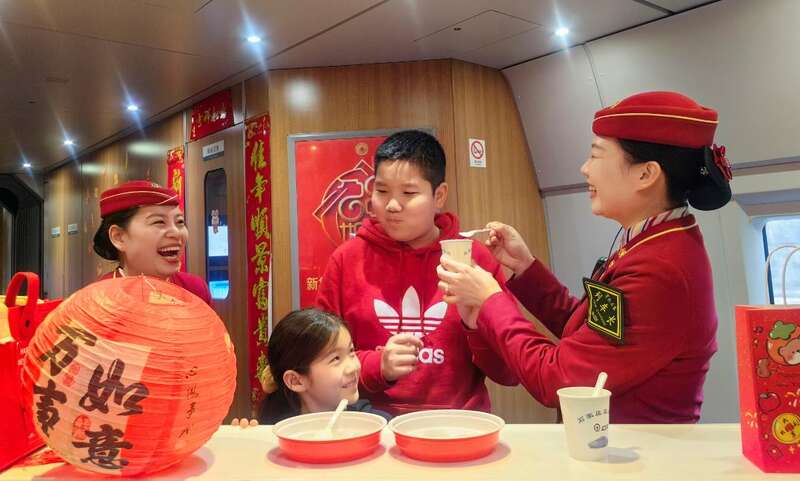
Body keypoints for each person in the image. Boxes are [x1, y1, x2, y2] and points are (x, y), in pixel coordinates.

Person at [437, 91, 733, 423]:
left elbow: (558, 379)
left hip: (640, 450)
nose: (585, 168)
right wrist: (526, 268)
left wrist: (490, 300)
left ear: (646, 174)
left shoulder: (661, 269)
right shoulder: (654, 241)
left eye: (596, 156)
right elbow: (590, 334)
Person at [316, 130, 517, 416]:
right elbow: (320, 362)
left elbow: (509, 372)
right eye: (382, 191)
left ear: (439, 196)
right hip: (371, 420)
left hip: (457, 423)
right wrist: (377, 365)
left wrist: (475, 327)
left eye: (408, 193)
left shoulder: (474, 259)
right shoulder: (346, 260)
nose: (392, 205)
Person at [232, 308, 389, 427]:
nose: (353, 367)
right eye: (336, 358)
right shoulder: (275, 433)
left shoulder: (376, 425)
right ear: (295, 381)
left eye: (351, 351)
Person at [93, 180, 212, 306]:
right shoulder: (98, 301)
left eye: (180, 222)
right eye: (159, 222)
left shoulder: (194, 289)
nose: (176, 233)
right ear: (119, 237)